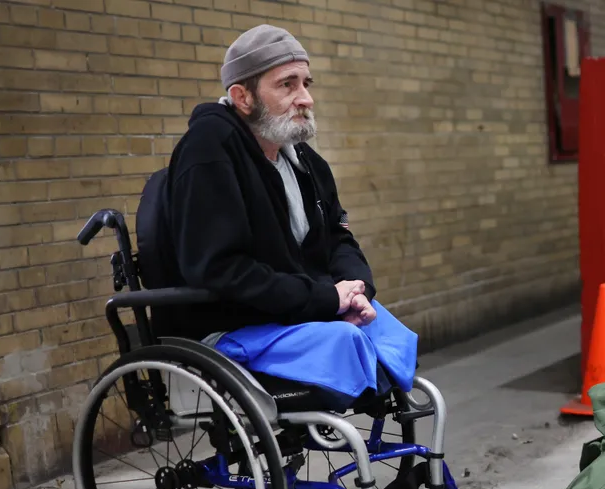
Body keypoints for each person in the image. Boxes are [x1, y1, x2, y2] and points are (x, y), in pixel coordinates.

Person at [160, 24, 417, 405]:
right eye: (287, 85)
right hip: (233, 326)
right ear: (242, 96)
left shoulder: (305, 162)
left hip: (295, 315)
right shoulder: (209, 150)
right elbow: (220, 269)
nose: (306, 99)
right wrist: (326, 301)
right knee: (346, 340)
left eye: (306, 83)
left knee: (385, 328)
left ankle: (413, 459)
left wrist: (355, 292)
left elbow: (338, 239)